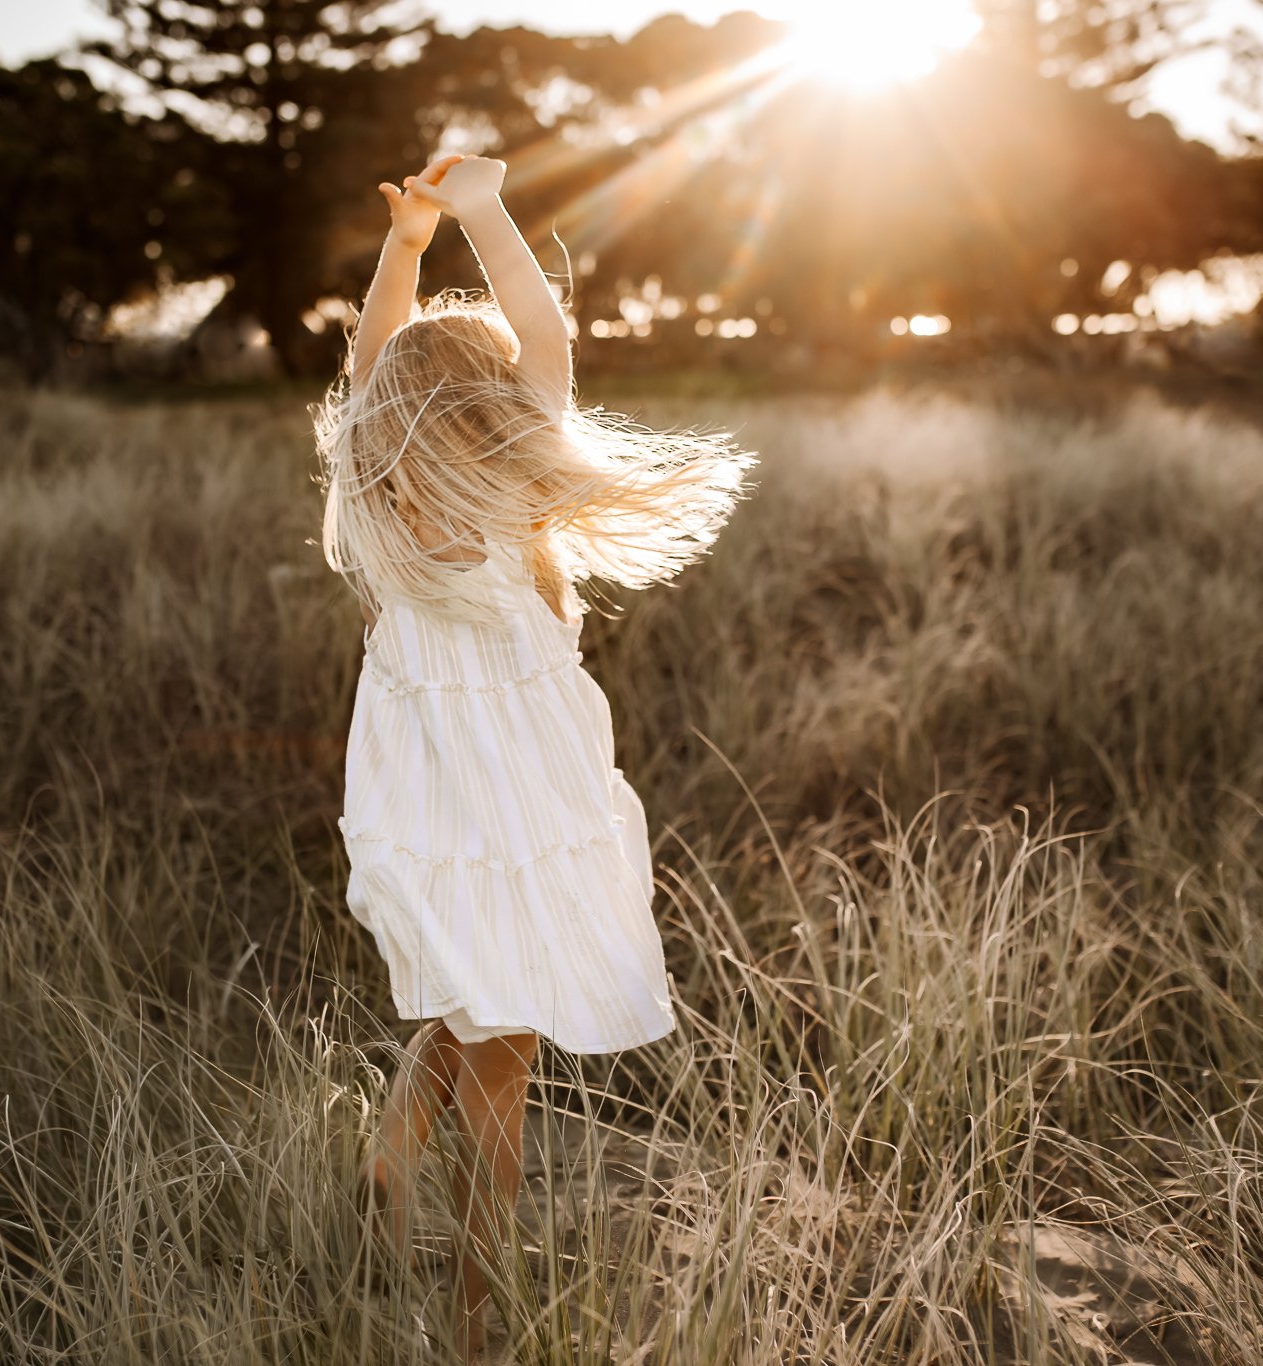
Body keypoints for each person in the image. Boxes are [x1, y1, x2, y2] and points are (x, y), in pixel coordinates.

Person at [315, 151, 756, 1358]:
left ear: (389, 412)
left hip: (427, 803)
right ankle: (475, 1306)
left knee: (471, 1010)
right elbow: (542, 325)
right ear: (496, 408)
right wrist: (485, 211)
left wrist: (407, 249)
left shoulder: (370, 476)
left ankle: (390, 1158)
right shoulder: (511, 488)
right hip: (520, 806)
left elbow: (370, 368)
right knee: (497, 1055)